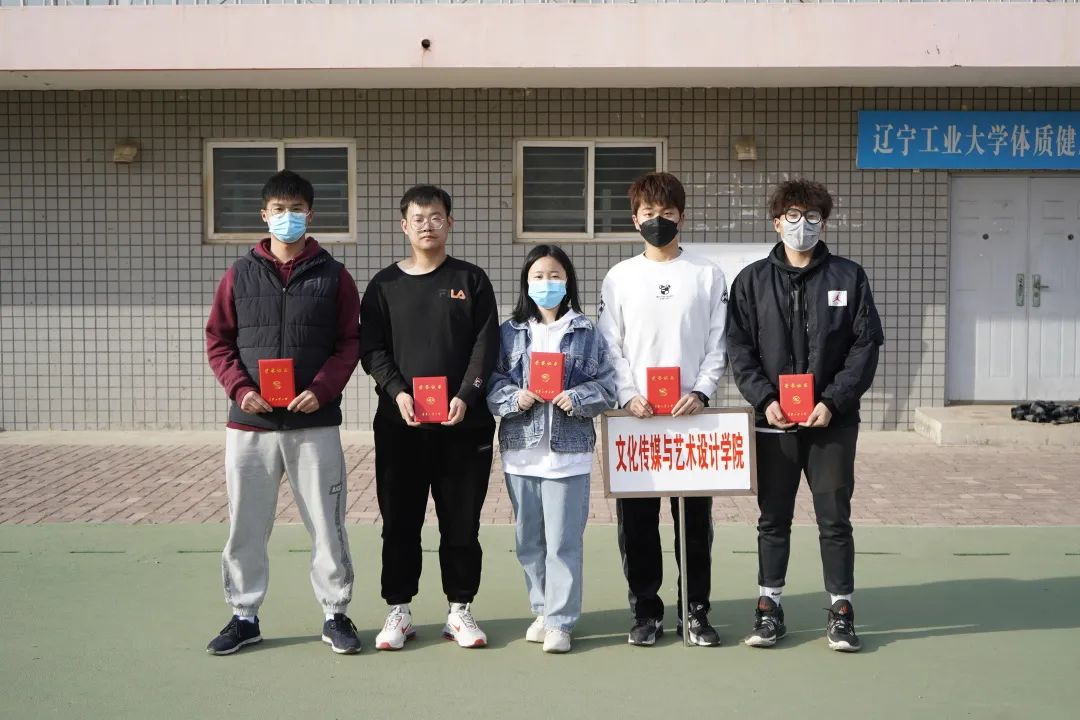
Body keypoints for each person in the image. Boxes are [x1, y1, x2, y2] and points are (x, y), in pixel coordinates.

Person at [204, 169, 362, 655]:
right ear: (264, 215)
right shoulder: (239, 274)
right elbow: (218, 341)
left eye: (296, 210)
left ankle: (335, 613)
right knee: (246, 525)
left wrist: (321, 389)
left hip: (313, 421)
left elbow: (349, 343)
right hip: (250, 424)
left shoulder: (334, 276)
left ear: (310, 216)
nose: (287, 217)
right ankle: (243, 615)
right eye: (278, 209)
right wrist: (239, 388)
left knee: (327, 523)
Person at [725, 179, 884, 652]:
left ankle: (841, 610)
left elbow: (865, 345)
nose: (802, 225)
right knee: (773, 517)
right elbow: (739, 348)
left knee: (834, 518)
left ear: (824, 223)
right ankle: (769, 607)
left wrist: (832, 401)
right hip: (773, 421)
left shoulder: (848, 277)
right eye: (792, 216)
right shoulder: (752, 280)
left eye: (812, 217)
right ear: (776, 223)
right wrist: (764, 399)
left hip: (832, 422)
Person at [360, 184, 499, 650]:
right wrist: (397, 391)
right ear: (404, 226)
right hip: (401, 427)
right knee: (400, 521)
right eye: (418, 218)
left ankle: (460, 609)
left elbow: (486, 345)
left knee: (462, 522)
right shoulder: (383, 285)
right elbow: (372, 349)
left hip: (464, 426)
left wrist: (467, 394)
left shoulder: (471, 279)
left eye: (436, 217)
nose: (427, 225)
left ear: (449, 223)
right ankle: (399, 609)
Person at [596, 172, 728, 647]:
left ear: (681, 217)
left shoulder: (707, 274)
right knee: (637, 523)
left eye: (667, 213)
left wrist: (703, 391)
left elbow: (719, 341)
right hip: (638, 419)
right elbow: (610, 345)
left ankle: (695, 610)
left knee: (694, 523)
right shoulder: (620, 277)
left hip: (692, 418)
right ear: (635, 220)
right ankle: (646, 611)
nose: (658, 220)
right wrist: (628, 394)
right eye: (648, 213)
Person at [486, 244, 617, 654]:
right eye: (539, 276)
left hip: (568, 452)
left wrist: (576, 398)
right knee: (529, 541)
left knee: (563, 542)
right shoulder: (509, 332)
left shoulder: (586, 332)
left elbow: (608, 387)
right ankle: (542, 609)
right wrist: (514, 397)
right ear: (526, 283)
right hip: (521, 451)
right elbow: (491, 383)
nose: (547, 283)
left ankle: (561, 621)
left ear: (568, 281)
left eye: (555, 275)